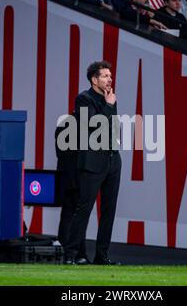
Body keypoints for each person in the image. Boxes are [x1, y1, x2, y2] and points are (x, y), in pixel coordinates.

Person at [63, 61, 122, 265]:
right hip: (92, 161)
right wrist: (109, 106)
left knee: (109, 210)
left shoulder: (110, 99)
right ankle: (71, 254)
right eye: (105, 76)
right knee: (84, 208)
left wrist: (110, 105)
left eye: (110, 76)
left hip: (112, 159)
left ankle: (101, 255)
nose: (109, 79)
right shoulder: (83, 99)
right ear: (94, 79)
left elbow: (113, 129)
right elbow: (96, 126)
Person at [54, 119, 89, 265]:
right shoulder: (86, 127)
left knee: (67, 215)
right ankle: (77, 254)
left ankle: (67, 252)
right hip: (79, 177)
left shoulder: (63, 126)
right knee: (77, 217)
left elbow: (60, 152)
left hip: (64, 175)